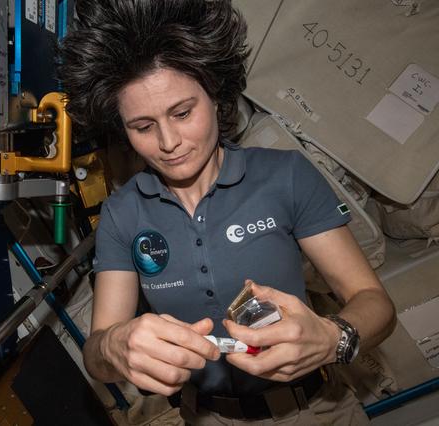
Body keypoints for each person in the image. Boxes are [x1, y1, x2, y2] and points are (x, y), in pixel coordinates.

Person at [58, 0, 396, 424]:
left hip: (317, 411)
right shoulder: (122, 214)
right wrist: (113, 346)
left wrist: (334, 337)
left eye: (183, 113)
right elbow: (97, 353)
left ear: (215, 95)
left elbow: (374, 302)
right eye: (143, 127)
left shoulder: (285, 176)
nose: (168, 142)